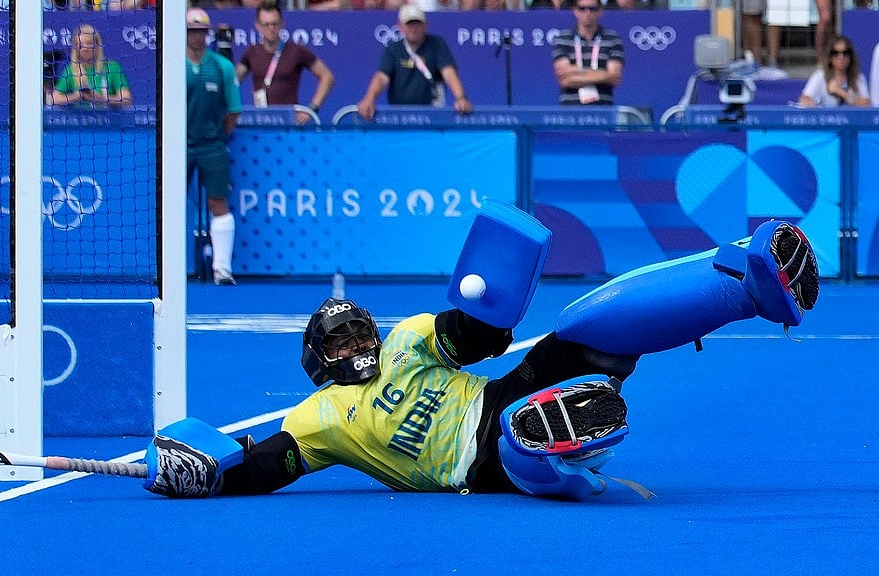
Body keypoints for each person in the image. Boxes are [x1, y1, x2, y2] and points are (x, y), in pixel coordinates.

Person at [142, 213, 820, 501]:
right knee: (526, 442)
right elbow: (268, 464)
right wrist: (209, 477)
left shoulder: (406, 339)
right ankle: (562, 443)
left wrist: (484, 311)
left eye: (359, 332)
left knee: (584, 328)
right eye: (340, 341)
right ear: (318, 360)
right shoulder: (318, 418)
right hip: (474, 465)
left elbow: (479, 340)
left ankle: (746, 286)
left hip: (495, 394)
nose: (357, 345)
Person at [186, 8, 242, 286]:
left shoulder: (222, 66)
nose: (196, 36)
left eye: (200, 31)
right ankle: (175, 267)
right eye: (191, 31)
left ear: (207, 34)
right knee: (171, 204)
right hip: (178, 147)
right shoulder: (172, 64)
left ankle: (222, 268)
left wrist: (220, 136)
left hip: (212, 145)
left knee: (218, 201)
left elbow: (233, 110)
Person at [357, 4, 473, 120]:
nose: (413, 28)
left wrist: (461, 98)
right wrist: (369, 98)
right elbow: (382, 77)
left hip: (432, 115)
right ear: (400, 26)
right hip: (399, 117)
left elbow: (449, 73)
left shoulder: (437, 45)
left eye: (417, 23)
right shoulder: (393, 49)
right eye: (409, 24)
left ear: (426, 25)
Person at [236, 1, 335, 125]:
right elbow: (233, 81)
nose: (271, 29)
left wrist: (311, 109)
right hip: (260, 121)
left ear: (282, 24)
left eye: (275, 24)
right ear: (258, 26)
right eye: (266, 24)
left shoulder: (296, 51)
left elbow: (327, 76)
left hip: (289, 122)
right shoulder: (251, 52)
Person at [551, 0, 624, 106]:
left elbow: (614, 77)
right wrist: (604, 74)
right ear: (575, 11)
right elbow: (565, 80)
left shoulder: (613, 38)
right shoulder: (562, 38)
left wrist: (576, 71)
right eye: (582, 8)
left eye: (592, 8)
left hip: (602, 108)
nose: (587, 13)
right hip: (570, 109)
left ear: (600, 11)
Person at [50, 24, 133, 108]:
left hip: (109, 119)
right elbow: (55, 99)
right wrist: (78, 96)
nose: (85, 48)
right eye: (80, 45)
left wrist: (101, 98)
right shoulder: (71, 70)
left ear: (97, 45)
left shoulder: (112, 67)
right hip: (81, 118)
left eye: (89, 43)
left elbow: (126, 99)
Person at [798, 36, 871, 108]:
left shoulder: (858, 78)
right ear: (830, 57)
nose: (841, 57)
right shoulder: (820, 76)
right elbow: (805, 99)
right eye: (835, 53)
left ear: (851, 56)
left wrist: (842, 93)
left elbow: (866, 103)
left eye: (845, 53)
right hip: (826, 118)